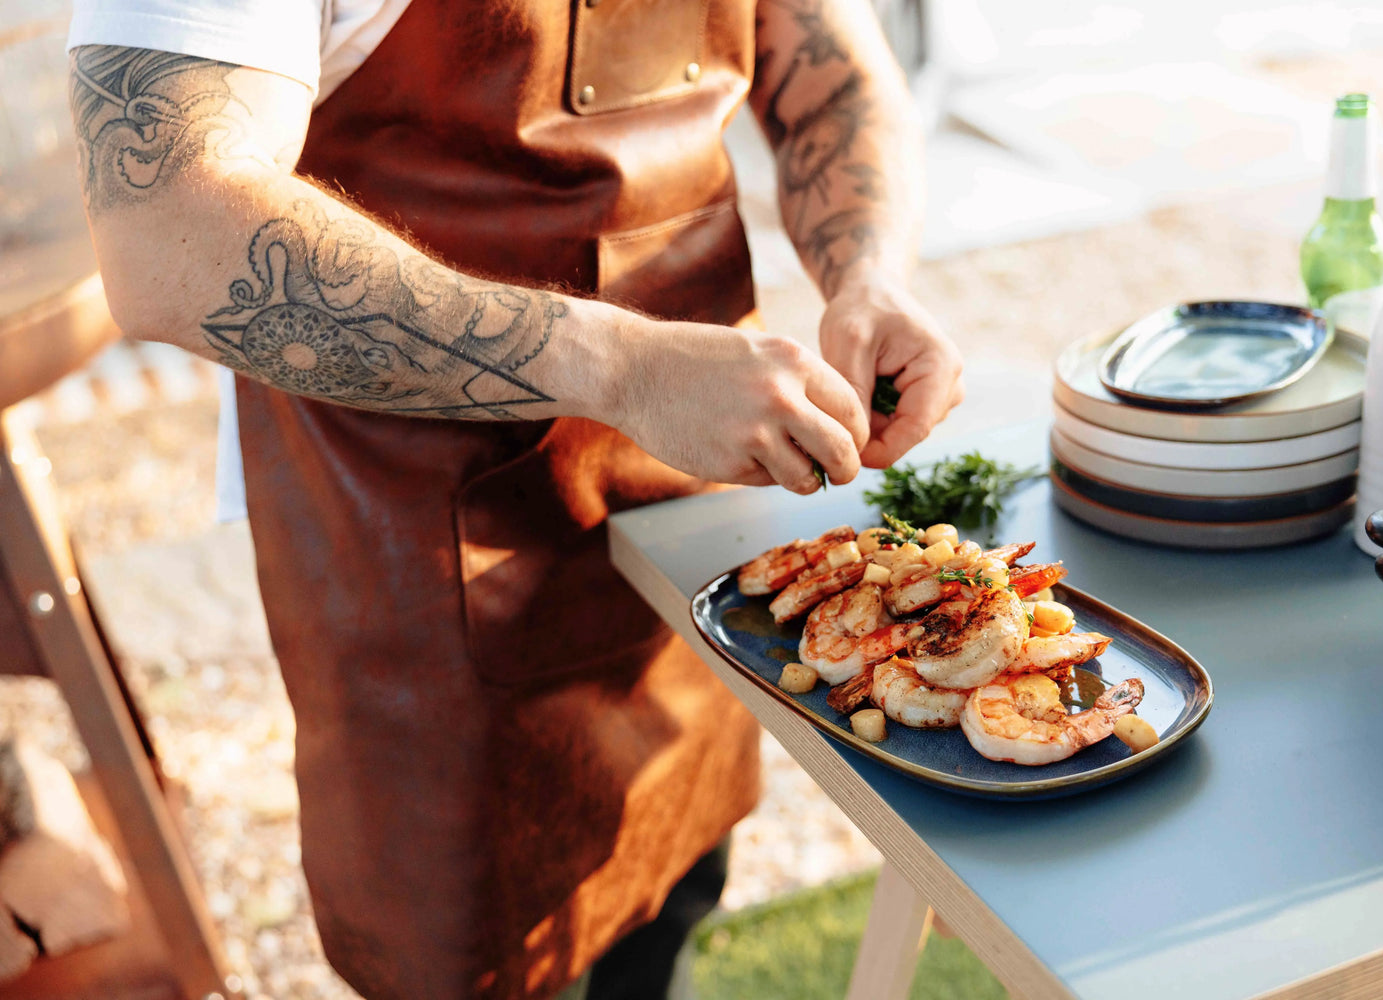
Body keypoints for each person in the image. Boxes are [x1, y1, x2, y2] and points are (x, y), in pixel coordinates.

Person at [64, 0, 963, 993]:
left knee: (670, 898)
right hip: (429, 552)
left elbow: (833, 63)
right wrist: (627, 372)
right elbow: (164, 228)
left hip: (699, 512)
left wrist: (869, 273)